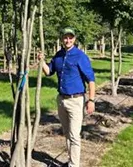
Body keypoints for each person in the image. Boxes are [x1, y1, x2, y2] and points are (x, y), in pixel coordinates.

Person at [38, 27, 95, 167]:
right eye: (65, 37)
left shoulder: (80, 56)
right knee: (68, 134)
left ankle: (74, 165)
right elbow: (48, 71)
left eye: (70, 37)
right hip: (62, 100)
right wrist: (41, 61)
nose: (68, 40)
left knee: (75, 135)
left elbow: (91, 80)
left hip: (76, 100)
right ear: (62, 39)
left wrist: (91, 100)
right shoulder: (58, 55)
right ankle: (71, 161)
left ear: (74, 39)